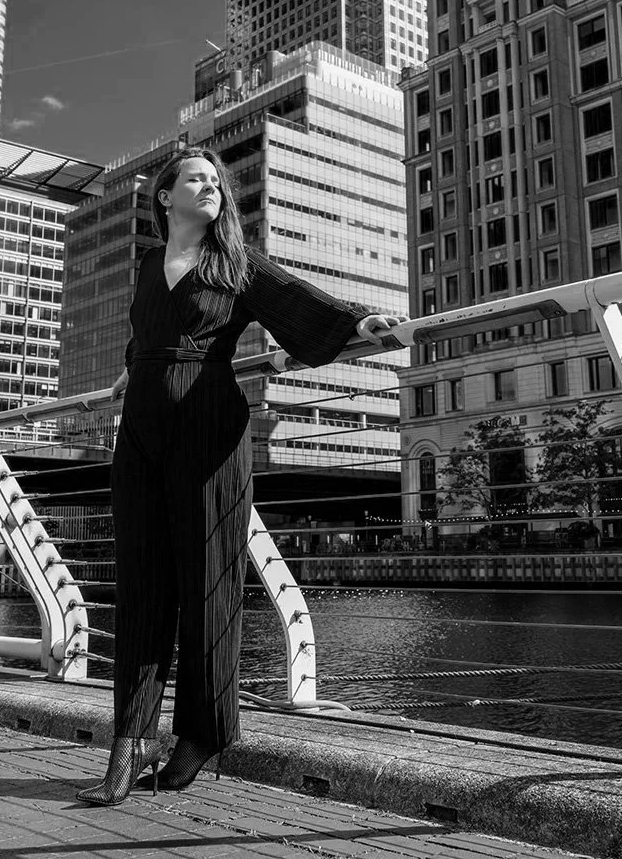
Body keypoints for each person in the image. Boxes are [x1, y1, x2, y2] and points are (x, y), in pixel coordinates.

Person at [76, 147, 407, 806]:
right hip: (139, 434)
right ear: (165, 196)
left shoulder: (236, 261)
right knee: (140, 585)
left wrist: (358, 322)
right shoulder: (148, 264)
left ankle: (201, 734)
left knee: (209, 583)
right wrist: (130, 369)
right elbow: (146, 335)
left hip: (209, 428)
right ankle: (131, 739)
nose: (212, 187)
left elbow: (296, 303)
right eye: (196, 178)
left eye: (217, 181)